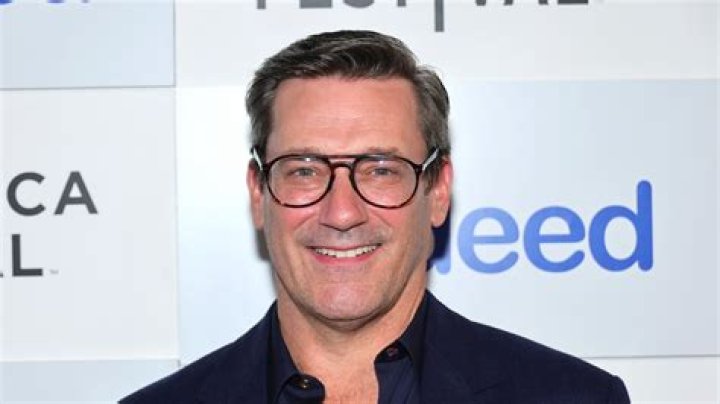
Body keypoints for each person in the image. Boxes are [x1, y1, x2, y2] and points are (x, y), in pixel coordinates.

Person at [121, 30, 630, 403]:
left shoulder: (574, 398)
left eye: (381, 170)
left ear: (437, 190)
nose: (342, 212)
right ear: (259, 192)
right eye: (304, 170)